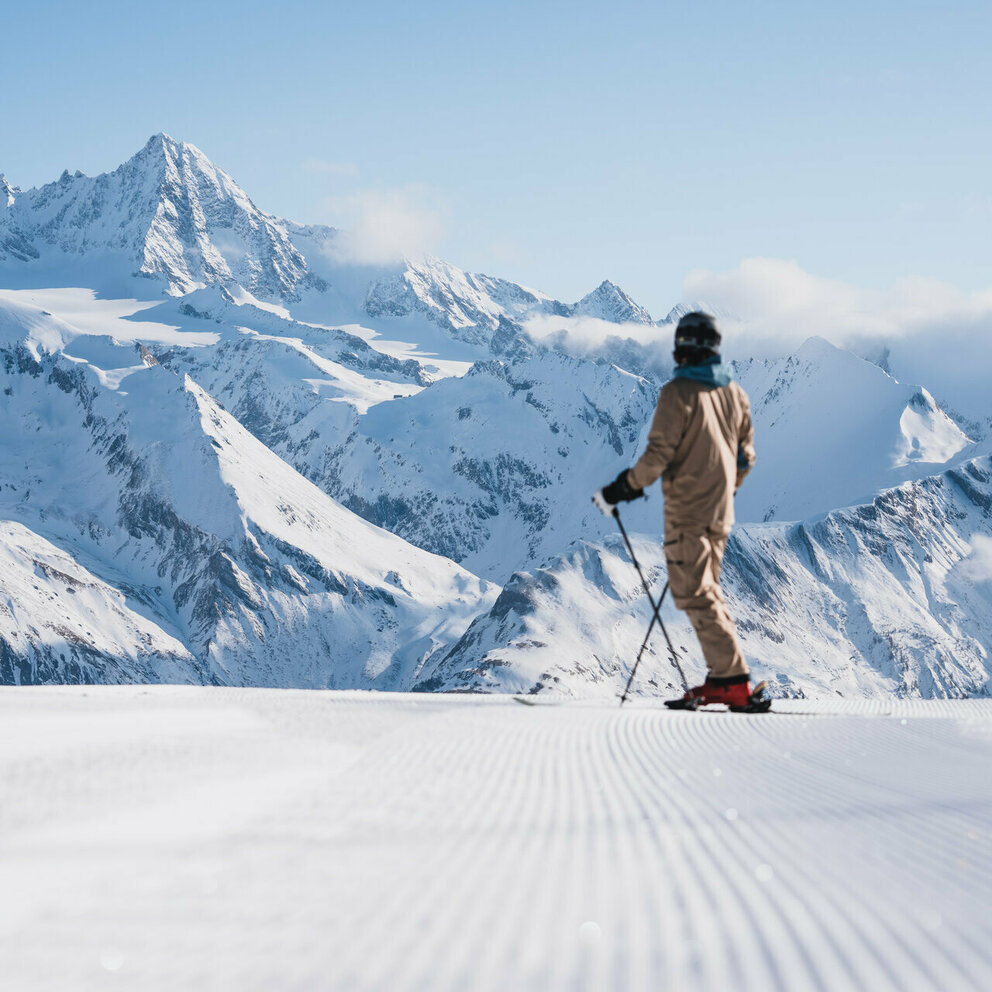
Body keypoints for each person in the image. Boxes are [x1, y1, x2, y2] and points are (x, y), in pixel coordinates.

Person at [593, 311, 758, 709]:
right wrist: (723, 491)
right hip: (720, 512)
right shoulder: (735, 393)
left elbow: (658, 456)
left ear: (685, 347)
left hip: (689, 511)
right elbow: (745, 458)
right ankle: (723, 678)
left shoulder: (678, 393)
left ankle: (734, 682)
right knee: (707, 591)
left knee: (694, 593)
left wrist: (622, 489)